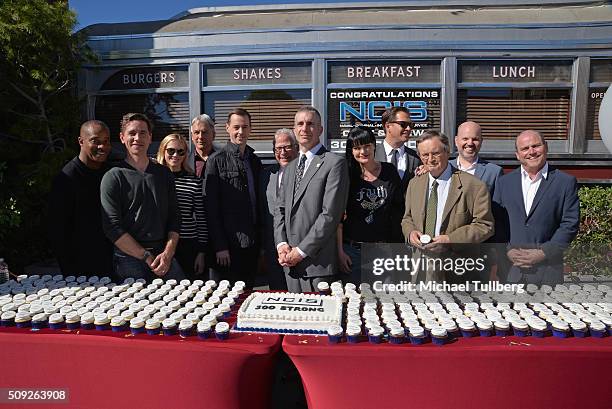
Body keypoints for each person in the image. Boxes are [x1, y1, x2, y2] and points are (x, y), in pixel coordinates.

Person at [401, 130, 494, 282]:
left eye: (435, 153)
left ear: (448, 151)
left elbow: (485, 225)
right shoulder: (414, 184)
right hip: (420, 270)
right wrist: (410, 233)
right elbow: (407, 218)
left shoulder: (473, 185)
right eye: (425, 155)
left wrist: (451, 239)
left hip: (457, 269)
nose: (430, 159)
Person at [100, 113, 184, 281]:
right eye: (132, 133)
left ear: (150, 137)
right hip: (128, 259)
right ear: (122, 137)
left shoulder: (164, 174)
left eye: (143, 133)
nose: (137, 138)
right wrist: (145, 256)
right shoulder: (113, 177)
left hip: (163, 255)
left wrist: (168, 253)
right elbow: (112, 228)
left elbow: (175, 218)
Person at [274, 106, 350, 292]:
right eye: (300, 124)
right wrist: (282, 244)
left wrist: (300, 252)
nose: (304, 129)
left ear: (320, 130)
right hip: (290, 266)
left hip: (318, 266)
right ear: (294, 130)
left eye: (310, 124)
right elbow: (280, 210)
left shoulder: (334, 163)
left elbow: (330, 215)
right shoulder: (290, 167)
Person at [493, 130, 579, 285]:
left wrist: (544, 252)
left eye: (536, 146)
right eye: (525, 148)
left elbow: (570, 224)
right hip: (510, 270)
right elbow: (497, 222)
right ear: (517, 154)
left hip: (547, 271)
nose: (531, 152)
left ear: (546, 147)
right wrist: (508, 250)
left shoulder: (565, 182)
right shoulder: (504, 183)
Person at [337, 126, 404, 285]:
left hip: (383, 251)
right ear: (351, 151)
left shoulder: (389, 171)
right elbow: (337, 218)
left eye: (367, 146)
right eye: (357, 148)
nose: (363, 151)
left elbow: (399, 208)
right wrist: (339, 252)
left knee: (384, 302)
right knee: (353, 302)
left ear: (374, 145)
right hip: (352, 251)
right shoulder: (347, 175)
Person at [205, 108, 262, 287]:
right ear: (227, 128)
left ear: (250, 129)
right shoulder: (215, 161)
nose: (240, 132)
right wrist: (220, 246)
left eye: (245, 127)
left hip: (252, 244)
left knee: (248, 294)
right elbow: (211, 208)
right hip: (228, 247)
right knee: (228, 300)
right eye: (236, 127)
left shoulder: (254, 161)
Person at [48, 120, 113, 276]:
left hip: (112, 261)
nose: (102, 147)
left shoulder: (111, 172)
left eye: (106, 142)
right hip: (81, 268)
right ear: (81, 141)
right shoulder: (66, 179)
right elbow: (58, 231)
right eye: (95, 141)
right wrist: (70, 272)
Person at [156, 134, 207, 280]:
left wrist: (201, 252)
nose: (175, 155)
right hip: (160, 243)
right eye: (171, 150)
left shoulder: (193, 181)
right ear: (163, 151)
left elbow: (201, 217)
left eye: (180, 151)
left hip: (188, 243)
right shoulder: (153, 178)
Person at [260, 129, 298, 290]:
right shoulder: (265, 175)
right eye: (278, 148)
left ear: (297, 148)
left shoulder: (309, 174)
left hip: (298, 249)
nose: (283, 153)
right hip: (272, 250)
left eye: (287, 147)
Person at [375, 107, 422, 193]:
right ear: (388, 126)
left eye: (411, 125)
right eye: (403, 124)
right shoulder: (372, 155)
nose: (408, 129)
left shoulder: (416, 157)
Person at [452, 121, 504, 195]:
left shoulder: (494, 172)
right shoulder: (445, 168)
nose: (470, 143)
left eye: (475, 139)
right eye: (465, 139)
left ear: (481, 141)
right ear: (456, 141)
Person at [190, 114, 216, 179]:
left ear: (213, 135)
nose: (200, 137)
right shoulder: (185, 161)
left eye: (204, 132)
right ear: (192, 136)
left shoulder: (223, 159)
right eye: (196, 132)